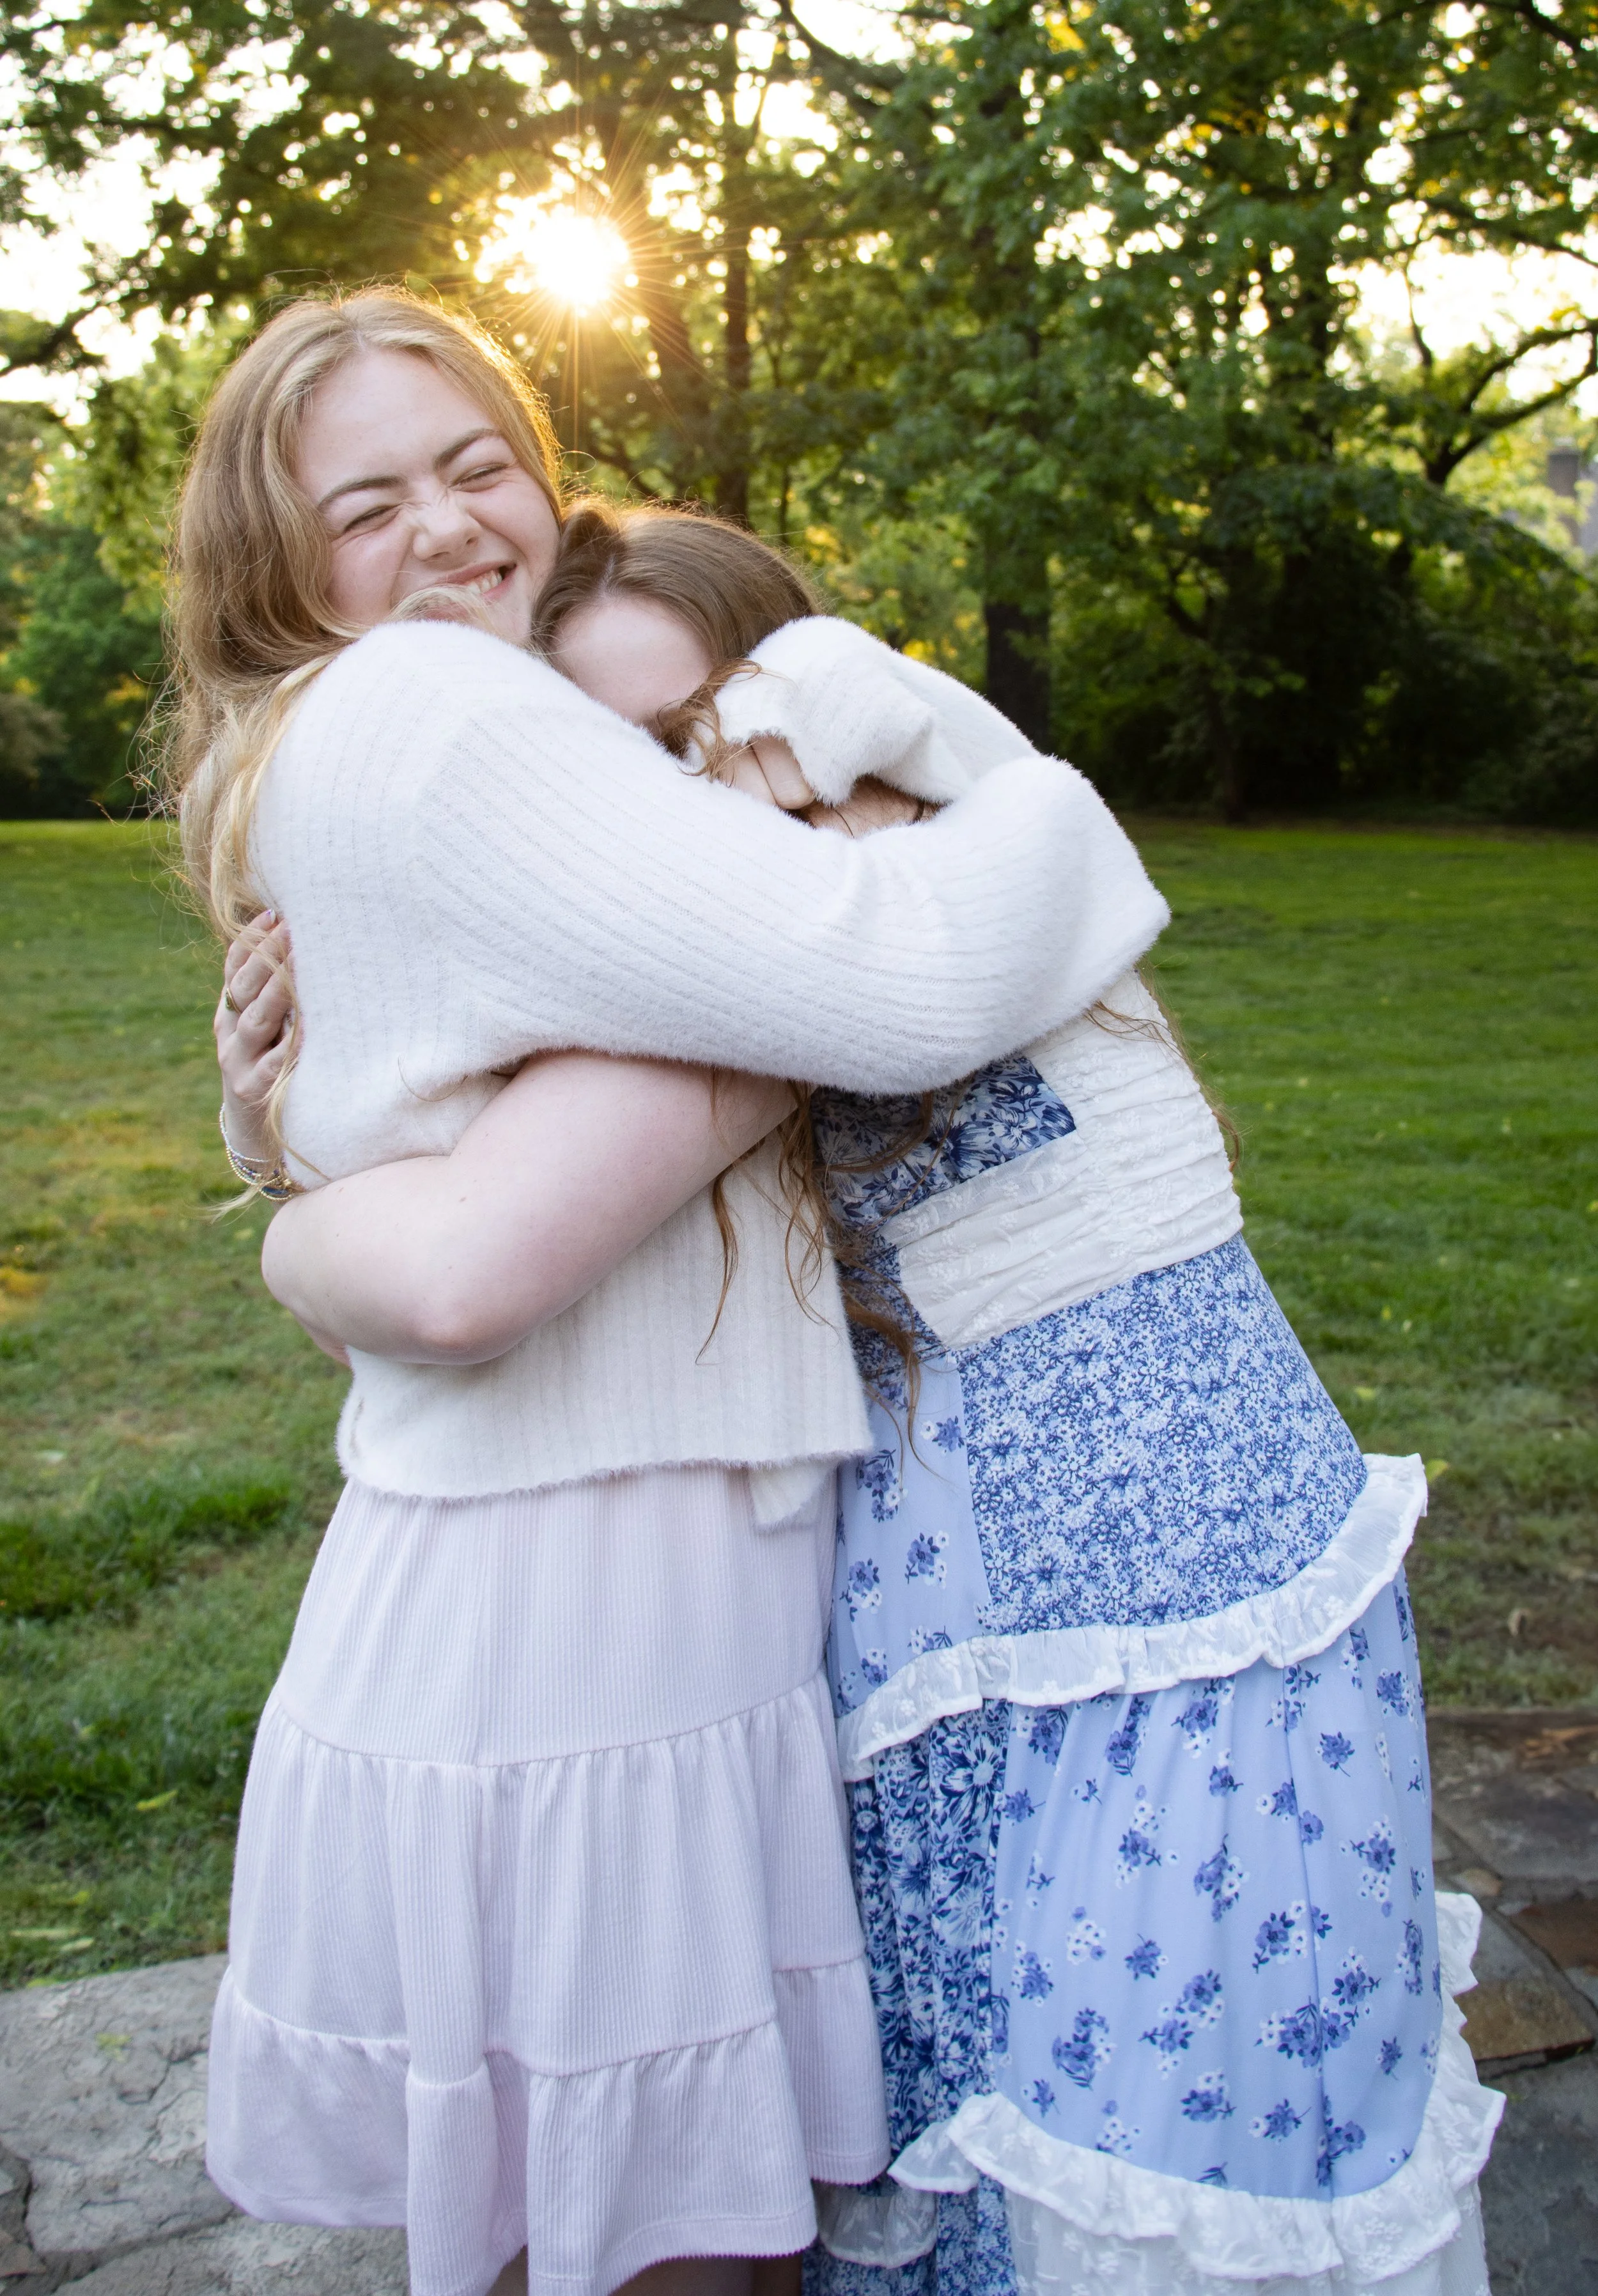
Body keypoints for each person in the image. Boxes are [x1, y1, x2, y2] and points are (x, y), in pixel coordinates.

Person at [228, 504, 1501, 2296]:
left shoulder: (901, 863)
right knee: (976, 2123)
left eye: (700, 732)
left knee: (1173, 2124)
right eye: (623, 769)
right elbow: (457, 1284)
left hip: (1169, 1593)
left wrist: (867, 701)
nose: (685, 801)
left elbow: (1019, 832)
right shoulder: (678, 959)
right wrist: (282, 1132)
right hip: (910, 1621)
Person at [175, 290, 1169, 2296]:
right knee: (668, 2243)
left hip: (584, 1565)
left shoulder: (391, 737)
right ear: (276, 566)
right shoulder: (437, 713)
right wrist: (1034, 805)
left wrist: (276, 1174)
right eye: (366, 506)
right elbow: (892, 984)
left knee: (623, 2225)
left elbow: (418, 1147)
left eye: (478, 468)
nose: (451, 533)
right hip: (582, 1606)